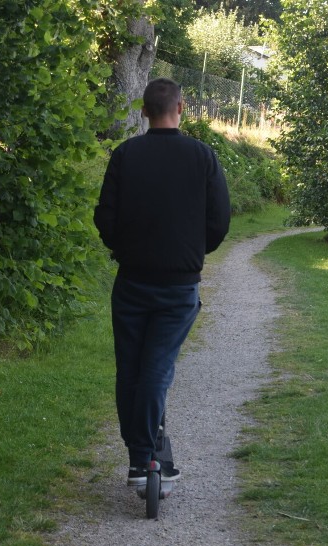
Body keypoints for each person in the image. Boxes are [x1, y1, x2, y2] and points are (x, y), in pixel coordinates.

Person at [94, 78, 231, 487]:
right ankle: (145, 458)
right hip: (179, 285)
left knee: (130, 368)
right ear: (182, 107)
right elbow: (219, 221)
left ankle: (139, 456)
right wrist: (192, 252)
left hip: (132, 280)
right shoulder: (202, 156)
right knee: (157, 367)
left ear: (144, 111)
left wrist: (122, 249)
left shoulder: (125, 155)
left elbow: (105, 217)